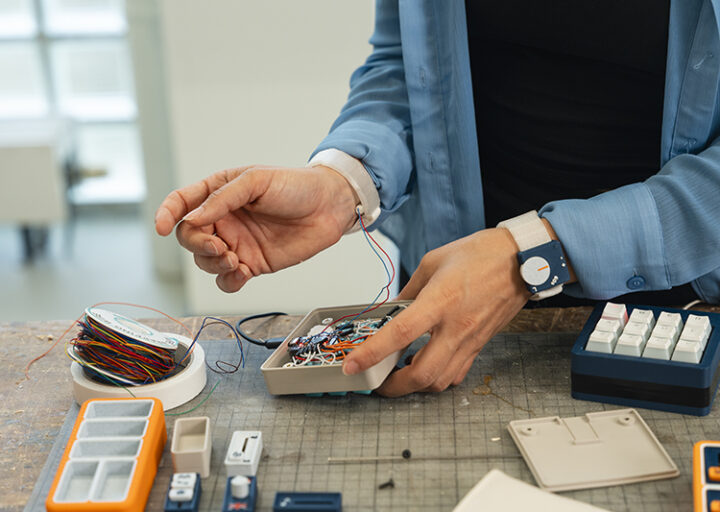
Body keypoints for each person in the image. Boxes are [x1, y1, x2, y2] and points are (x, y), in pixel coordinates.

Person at [155, 1, 720, 397]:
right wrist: (345, 181)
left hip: (681, 305)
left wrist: (530, 254)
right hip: (451, 284)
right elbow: (407, 63)